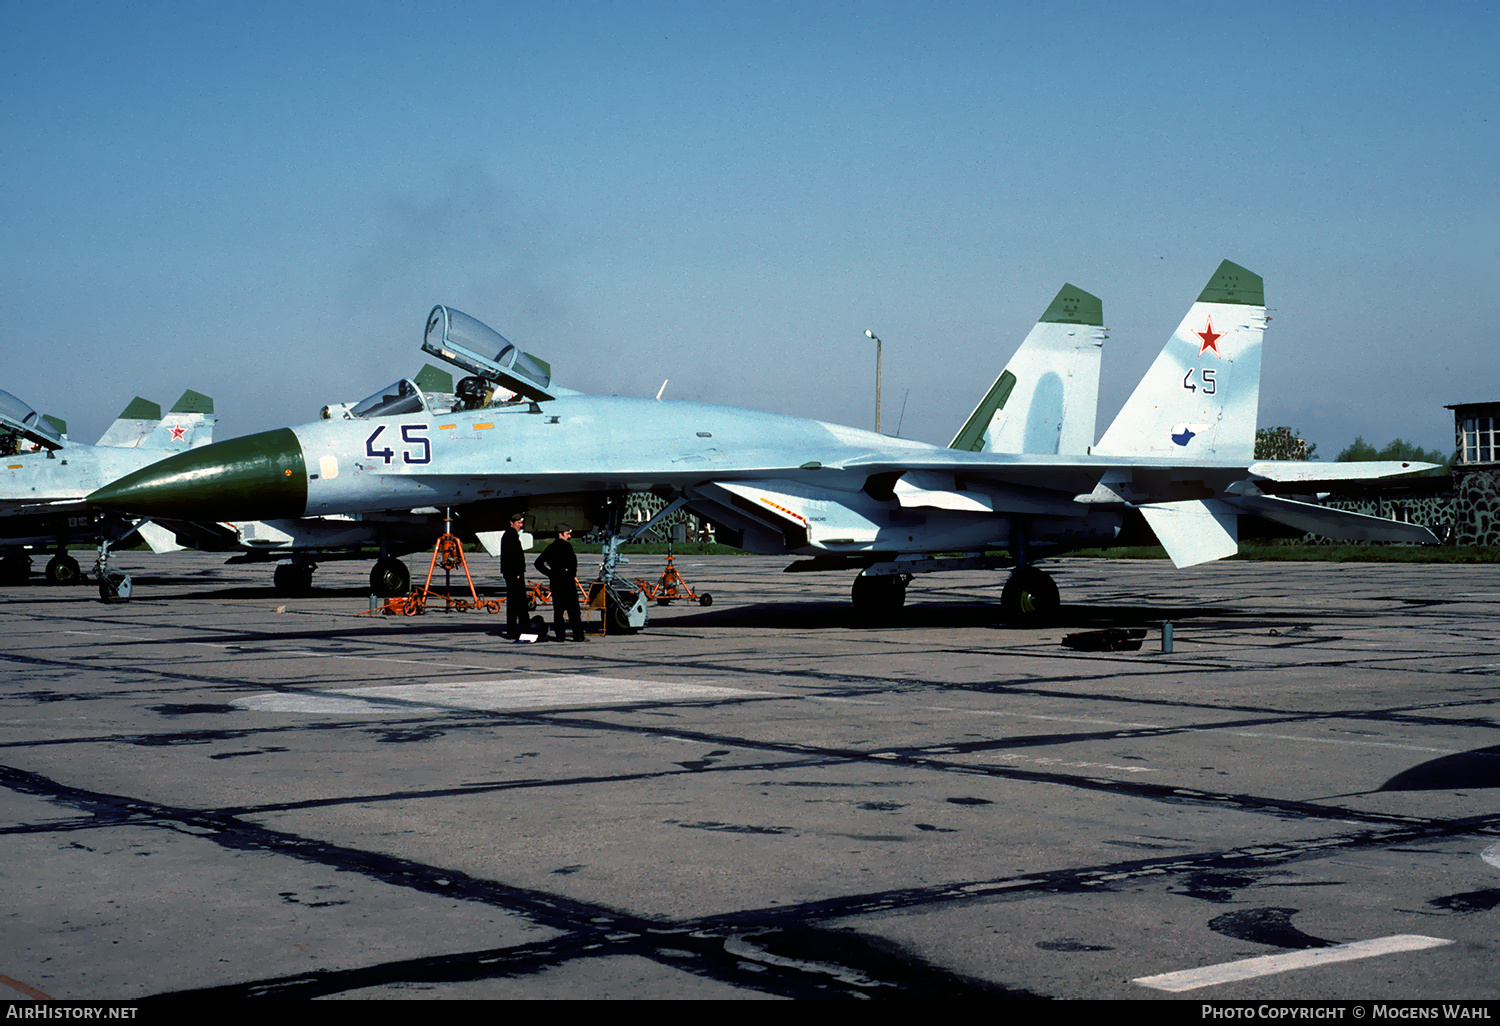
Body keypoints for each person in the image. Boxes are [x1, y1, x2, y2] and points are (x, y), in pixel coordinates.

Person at [534, 524, 585, 641]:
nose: (570, 536)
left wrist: (551, 574)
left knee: (558, 612)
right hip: (567, 583)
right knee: (573, 611)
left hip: (556, 582)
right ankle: (578, 636)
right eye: (567, 534)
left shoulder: (551, 547)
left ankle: (560, 636)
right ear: (560, 534)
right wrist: (571, 574)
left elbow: (538, 563)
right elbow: (573, 563)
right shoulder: (567, 547)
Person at [501, 512, 528, 640]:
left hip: (513, 574)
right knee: (516, 603)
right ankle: (515, 630)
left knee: (516, 603)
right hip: (514, 575)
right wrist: (517, 573)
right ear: (511, 523)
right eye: (518, 523)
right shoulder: (510, 536)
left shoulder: (511, 535)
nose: (520, 525)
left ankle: (515, 630)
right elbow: (512, 557)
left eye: (521, 523)